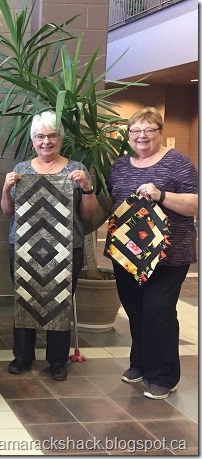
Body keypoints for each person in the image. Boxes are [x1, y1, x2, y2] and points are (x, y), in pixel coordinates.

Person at [107, 107, 197, 399]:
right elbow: (112, 203)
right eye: (135, 130)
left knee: (159, 311)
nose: (142, 136)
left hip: (169, 256)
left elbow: (194, 204)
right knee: (135, 310)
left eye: (149, 130)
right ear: (128, 135)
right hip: (128, 255)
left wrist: (161, 194)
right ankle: (140, 363)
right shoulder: (120, 166)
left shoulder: (178, 163)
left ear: (160, 132)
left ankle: (164, 376)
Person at [1, 110, 98, 381]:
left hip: (67, 247)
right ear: (33, 140)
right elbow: (8, 212)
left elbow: (88, 214)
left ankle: (57, 360)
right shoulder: (21, 170)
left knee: (60, 302)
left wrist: (86, 187)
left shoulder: (75, 169)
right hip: (24, 246)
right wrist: (7, 189)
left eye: (52, 135)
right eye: (40, 136)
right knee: (24, 299)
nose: (46, 141)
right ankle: (22, 357)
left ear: (60, 139)